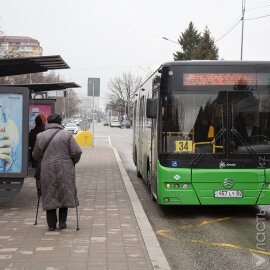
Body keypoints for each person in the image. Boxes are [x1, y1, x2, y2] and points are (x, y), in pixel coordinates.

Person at [32, 114, 82, 231]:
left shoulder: (41, 136)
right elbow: (77, 152)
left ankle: (51, 224)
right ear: (60, 122)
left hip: (47, 169)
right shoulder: (67, 135)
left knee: (49, 193)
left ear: (48, 122)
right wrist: (73, 161)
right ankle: (63, 222)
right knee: (64, 192)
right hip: (65, 168)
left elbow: (35, 155)